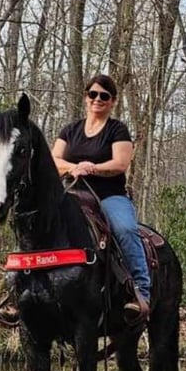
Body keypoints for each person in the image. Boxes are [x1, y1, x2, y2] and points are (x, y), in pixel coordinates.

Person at [52, 74, 151, 323]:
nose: (98, 99)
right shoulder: (70, 130)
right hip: (72, 194)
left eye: (104, 96)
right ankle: (22, 290)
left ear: (113, 101)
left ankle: (140, 291)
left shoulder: (117, 129)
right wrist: (73, 168)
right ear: (86, 98)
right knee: (37, 222)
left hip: (108, 196)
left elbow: (120, 163)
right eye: (93, 94)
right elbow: (53, 160)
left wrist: (92, 168)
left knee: (125, 229)